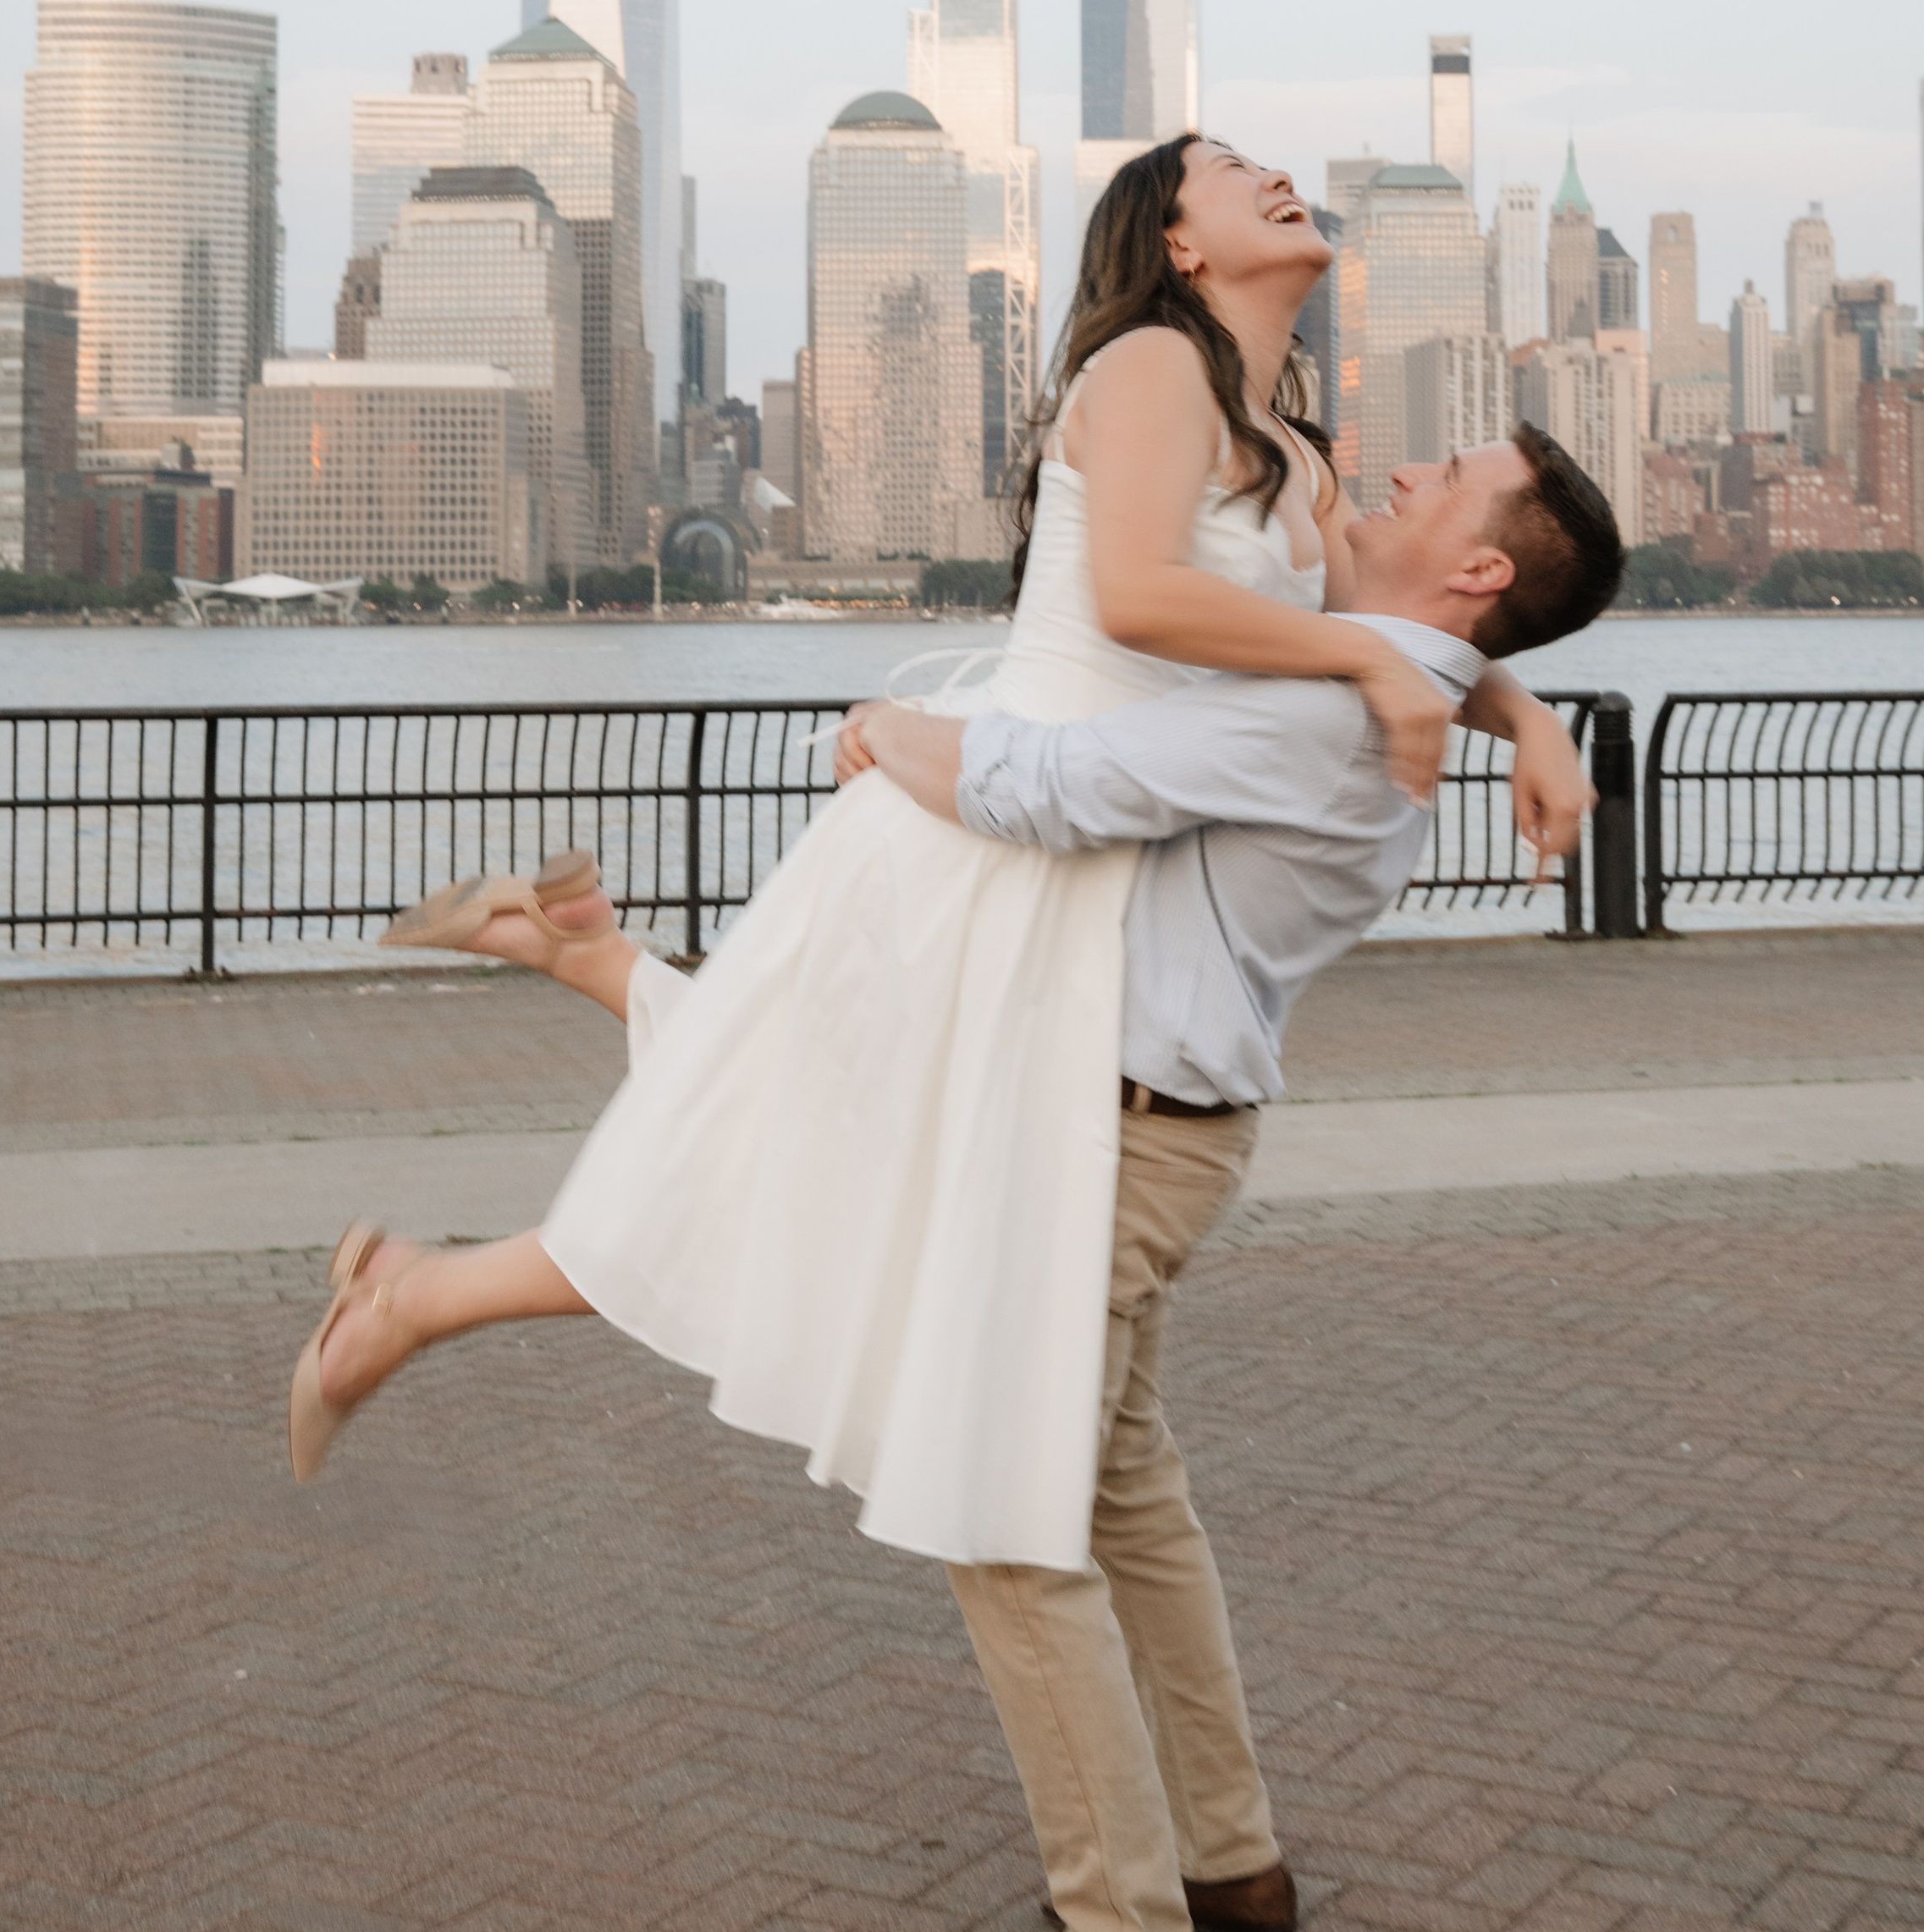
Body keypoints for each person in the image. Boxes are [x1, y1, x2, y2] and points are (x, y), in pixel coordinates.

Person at [292, 141, 1585, 1542]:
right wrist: (1385, 669)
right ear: (1178, 244)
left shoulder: (1290, 453)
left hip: (1066, 840)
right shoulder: (1158, 366)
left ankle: (489, 1134)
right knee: (796, 1162)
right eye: (1226, 168)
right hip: (991, 823)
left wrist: (1525, 719)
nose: (1272, 172)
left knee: (801, 1142)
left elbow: (1397, 626)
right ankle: (421, 1281)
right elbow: (1145, 598)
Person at [827, 422, 1624, 1932]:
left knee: (1000, 1518)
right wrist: (1531, 709)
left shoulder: (1330, 702)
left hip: (1113, 1142)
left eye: (1444, 479)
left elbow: (1041, 789)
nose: (1399, 475)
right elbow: (1424, 653)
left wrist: (886, 730)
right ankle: (1225, 1856)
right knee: (1123, 1494)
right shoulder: (1383, 679)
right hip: (1169, 1128)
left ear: (1479, 566)